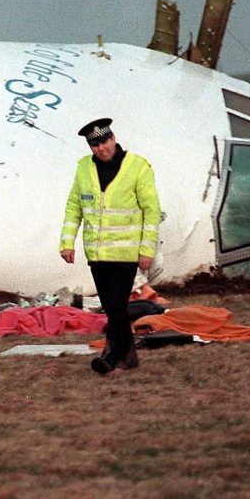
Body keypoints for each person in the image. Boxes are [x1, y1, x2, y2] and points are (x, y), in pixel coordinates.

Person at [59, 118, 161, 375]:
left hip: (126, 254)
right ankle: (129, 356)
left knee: (116, 307)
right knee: (112, 308)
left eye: (104, 141)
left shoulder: (138, 167)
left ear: (113, 138)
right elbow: (74, 207)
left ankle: (111, 356)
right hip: (97, 253)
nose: (101, 148)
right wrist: (66, 243)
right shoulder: (83, 168)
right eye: (95, 144)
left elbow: (151, 210)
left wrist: (146, 250)